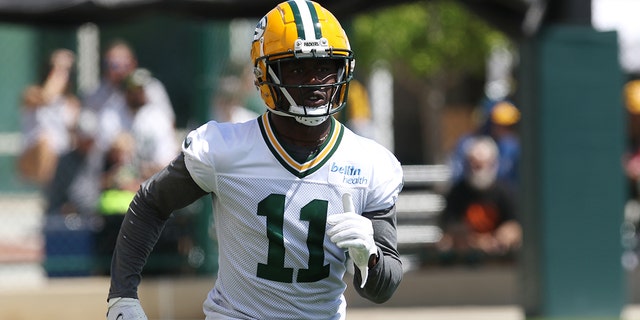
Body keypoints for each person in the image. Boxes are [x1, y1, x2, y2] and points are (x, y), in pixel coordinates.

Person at [106, 1, 404, 319]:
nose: (315, 80)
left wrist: (368, 256)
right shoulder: (223, 149)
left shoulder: (370, 163)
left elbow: (382, 288)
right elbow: (152, 202)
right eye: (297, 67)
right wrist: (122, 295)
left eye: (324, 66)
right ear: (266, 73)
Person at [437, 136, 521, 264]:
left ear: (493, 164)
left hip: (501, 259)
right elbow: (450, 224)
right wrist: (475, 240)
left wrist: (502, 236)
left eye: (480, 165)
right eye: (472, 164)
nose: (476, 170)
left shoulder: (505, 192)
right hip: (466, 259)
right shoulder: (457, 192)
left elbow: (515, 225)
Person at [17, 48, 81, 186]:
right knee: (45, 140)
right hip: (33, 158)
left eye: (67, 69)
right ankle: (45, 189)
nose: (61, 73)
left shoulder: (72, 102)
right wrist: (58, 75)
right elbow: (47, 97)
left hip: (63, 159)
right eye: (55, 68)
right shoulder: (32, 93)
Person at [449, 99, 521, 190]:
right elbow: (457, 175)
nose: (504, 130)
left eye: (509, 126)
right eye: (499, 125)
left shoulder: (512, 146)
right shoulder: (468, 143)